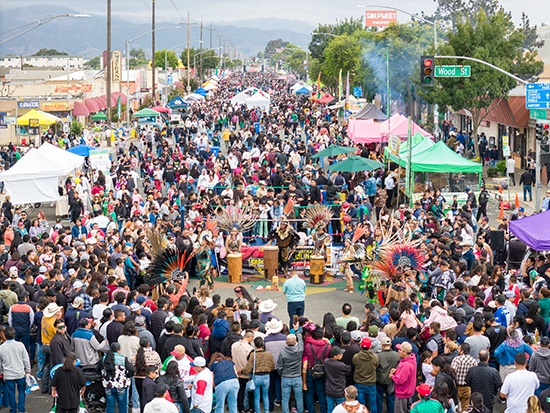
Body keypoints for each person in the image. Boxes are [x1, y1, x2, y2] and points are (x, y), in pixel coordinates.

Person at [0, 327, 30, 413]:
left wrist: (1, 372)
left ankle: (13, 409)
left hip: (8, 374)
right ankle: (21, 409)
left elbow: (0, 363)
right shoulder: (20, 345)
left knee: (11, 393)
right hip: (20, 373)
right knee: (21, 391)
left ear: (5, 336)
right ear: (14, 334)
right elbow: (26, 359)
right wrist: (28, 370)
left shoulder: (1, 348)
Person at [98, 342, 135, 413]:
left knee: (110, 406)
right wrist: (127, 376)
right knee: (122, 406)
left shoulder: (103, 359)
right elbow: (132, 369)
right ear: (119, 350)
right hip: (121, 386)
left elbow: (97, 370)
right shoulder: (123, 359)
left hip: (108, 385)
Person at [241, 336, 275, 413]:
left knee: (257, 397)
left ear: (255, 345)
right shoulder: (268, 354)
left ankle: (258, 411)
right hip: (266, 376)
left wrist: (242, 372)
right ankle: (266, 411)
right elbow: (272, 365)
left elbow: (249, 367)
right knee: (265, 396)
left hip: (256, 377)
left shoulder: (253, 354)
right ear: (263, 344)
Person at [277, 332, 304, 413]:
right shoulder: (300, 350)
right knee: (299, 398)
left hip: (285, 377)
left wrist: (281, 374)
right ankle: (300, 411)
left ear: (286, 343)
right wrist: (298, 332)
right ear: (295, 342)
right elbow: (301, 342)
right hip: (297, 377)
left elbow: (279, 366)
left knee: (285, 398)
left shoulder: (282, 353)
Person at [352, 337, 378, 413]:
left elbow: (354, 365)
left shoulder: (356, 357)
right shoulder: (375, 357)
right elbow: (376, 366)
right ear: (370, 347)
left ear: (360, 346)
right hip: (371, 383)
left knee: (361, 405)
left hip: (359, 383)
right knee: (373, 404)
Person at [450, 342, 478, 413]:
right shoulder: (473, 361)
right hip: (467, 388)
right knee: (465, 408)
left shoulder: (456, 359)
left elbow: (452, 372)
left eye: (459, 349)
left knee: (456, 407)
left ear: (462, 351)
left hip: (457, 387)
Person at [390, 342, 416, 413]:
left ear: (405, 352)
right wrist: (398, 370)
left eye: (400, 350)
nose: (398, 351)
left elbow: (400, 381)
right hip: (409, 391)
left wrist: (392, 376)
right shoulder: (411, 360)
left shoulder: (406, 365)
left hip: (402, 393)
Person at [376, 336, 400, 413]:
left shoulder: (378, 356)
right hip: (391, 381)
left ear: (382, 345)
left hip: (380, 381)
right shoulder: (397, 355)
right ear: (390, 345)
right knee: (391, 399)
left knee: (379, 398)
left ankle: (380, 411)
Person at [325, 346, 351, 413]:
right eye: (340, 354)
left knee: (330, 409)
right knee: (342, 410)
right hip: (339, 392)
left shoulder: (326, 362)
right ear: (335, 356)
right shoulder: (341, 365)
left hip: (329, 391)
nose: (342, 355)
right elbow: (349, 369)